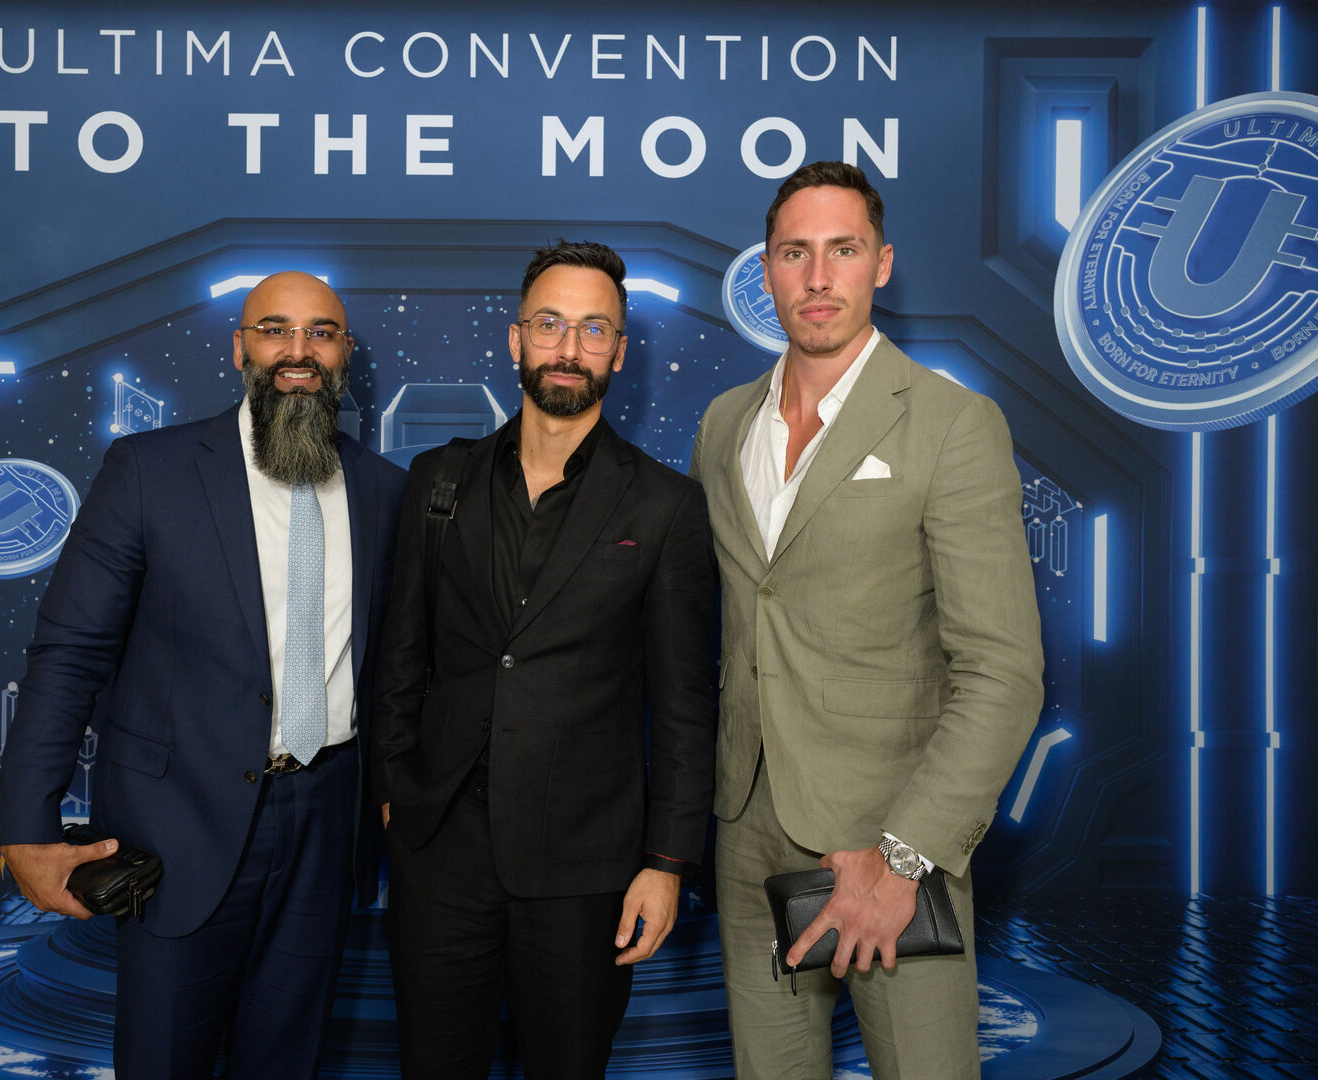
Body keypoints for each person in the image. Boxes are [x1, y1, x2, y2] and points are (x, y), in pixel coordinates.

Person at [0, 271, 406, 1079]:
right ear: (239, 348)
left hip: (327, 822)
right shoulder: (150, 469)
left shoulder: (386, 492)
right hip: (178, 825)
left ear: (344, 353)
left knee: (286, 1061)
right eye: (275, 329)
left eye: (320, 333)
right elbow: (70, 651)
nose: (298, 351)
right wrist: (25, 826)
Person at [690, 161, 1043, 1079]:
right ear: (764, 270)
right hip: (746, 826)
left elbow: (1002, 672)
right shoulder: (723, 425)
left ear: (880, 264)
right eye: (793, 253)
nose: (817, 278)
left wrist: (904, 857)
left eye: (841, 250)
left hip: (888, 840)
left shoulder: (951, 423)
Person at [369, 240, 718, 1079]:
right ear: (516, 338)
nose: (569, 347)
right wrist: (392, 795)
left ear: (618, 352)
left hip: (586, 863)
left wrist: (666, 865)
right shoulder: (438, 479)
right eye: (550, 324)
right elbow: (400, 654)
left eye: (593, 329)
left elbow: (683, 706)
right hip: (440, 849)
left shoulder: (665, 506)